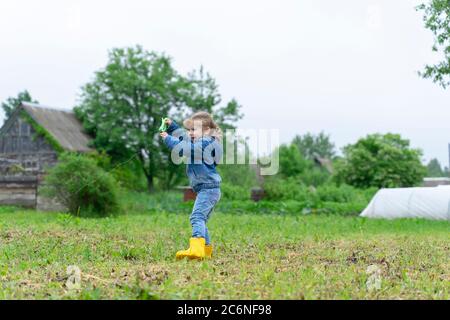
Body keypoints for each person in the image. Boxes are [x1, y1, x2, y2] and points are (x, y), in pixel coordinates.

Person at [160, 111, 223, 260]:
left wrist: (168, 139)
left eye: (193, 130)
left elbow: (185, 148)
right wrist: (172, 127)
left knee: (196, 217)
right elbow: (184, 139)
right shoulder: (199, 141)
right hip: (207, 189)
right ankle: (205, 250)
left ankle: (196, 249)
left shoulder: (205, 144)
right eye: (189, 130)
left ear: (207, 130)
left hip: (209, 189)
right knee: (201, 219)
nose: (190, 133)